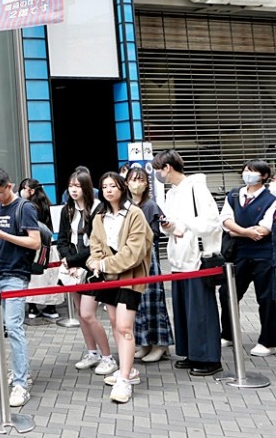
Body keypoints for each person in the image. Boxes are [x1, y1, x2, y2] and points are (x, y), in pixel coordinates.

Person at [152, 149, 223, 377]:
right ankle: (192, 352)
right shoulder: (172, 192)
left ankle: (209, 358)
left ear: (167, 168)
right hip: (179, 258)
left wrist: (183, 225)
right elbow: (175, 223)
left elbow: (212, 221)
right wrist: (170, 226)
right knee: (185, 309)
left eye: (157, 169)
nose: (157, 174)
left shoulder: (196, 187)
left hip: (197, 258)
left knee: (201, 308)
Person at [87, 172, 153, 403]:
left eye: (113, 186)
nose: (108, 190)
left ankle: (124, 379)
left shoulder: (134, 213)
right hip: (107, 277)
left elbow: (134, 252)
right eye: (104, 186)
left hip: (130, 276)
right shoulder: (100, 216)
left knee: (125, 326)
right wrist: (95, 263)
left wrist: (104, 263)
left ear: (122, 187)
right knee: (115, 323)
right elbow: (94, 244)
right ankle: (128, 370)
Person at [0, 168, 41, 408]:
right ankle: (18, 372)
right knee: (5, 328)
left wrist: (4, 236)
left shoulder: (24, 208)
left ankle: (21, 382)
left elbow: (34, 241)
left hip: (17, 274)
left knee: (14, 327)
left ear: (10, 185)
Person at [57, 170, 115, 375]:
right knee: (81, 314)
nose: (73, 189)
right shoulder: (67, 210)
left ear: (86, 187)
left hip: (92, 266)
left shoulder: (98, 208)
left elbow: (97, 243)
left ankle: (108, 357)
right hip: (72, 269)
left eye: (78, 186)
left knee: (88, 313)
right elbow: (62, 239)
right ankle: (92, 352)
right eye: (71, 185)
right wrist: (66, 259)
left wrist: (73, 260)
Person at [219, 159, 276, 355]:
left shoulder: (271, 199)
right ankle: (228, 334)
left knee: (267, 298)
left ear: (264, 176)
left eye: (252, 171)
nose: (247, 174)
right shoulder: (234, 195)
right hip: (238, 253)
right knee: (228, 293)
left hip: (264, 256)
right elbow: (225, 221)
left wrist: (238, 231)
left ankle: (268, 341)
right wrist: (245, 232)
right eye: (245, 170)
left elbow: (265, 228)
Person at [126, 167, 173, 363]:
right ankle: (144, 342)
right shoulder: (125, 205)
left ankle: (160, 344)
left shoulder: (151, 206)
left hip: (147, 258)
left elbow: (155, 234)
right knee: (136, 304)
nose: (136, 183)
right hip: (128, 258)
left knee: (153, 302)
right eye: (132, 179)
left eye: (140, 179)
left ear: (146, 183)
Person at [18, 179, 61, 320]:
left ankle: (32, 307)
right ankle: (51, 307)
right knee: (50, 277)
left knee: (34, 278)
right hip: (50, 245)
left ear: (27, 189)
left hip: (33, 245)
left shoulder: (27, 207)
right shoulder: (47, 203)